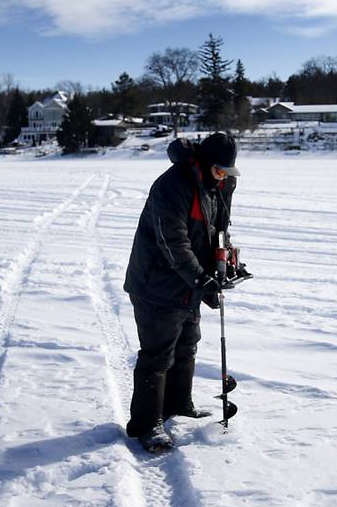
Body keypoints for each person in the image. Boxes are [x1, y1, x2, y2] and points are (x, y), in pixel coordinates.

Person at [123, 132, 241, 452]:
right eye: (219, 170)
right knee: (158, 354)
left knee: (187, 344)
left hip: (188, 283)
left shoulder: (218, 185)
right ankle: (147, 424)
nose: (223, 176)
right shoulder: (172, 185)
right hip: (156, 284)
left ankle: (178, 405)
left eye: (227, 172)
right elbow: (172, 241)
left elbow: (219, 232)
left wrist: (226, 265)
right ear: (204, 162)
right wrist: (200, 280)